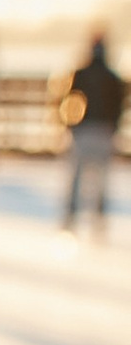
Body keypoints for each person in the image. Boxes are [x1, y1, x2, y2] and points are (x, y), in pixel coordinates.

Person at [60, 32, 124, 232]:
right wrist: (113, 127)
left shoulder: (81, 73)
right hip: (103, 131)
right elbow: (119, 106)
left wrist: (69, 124)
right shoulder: (113, 77)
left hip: (85, 130)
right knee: (100, 178)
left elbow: (67, 99)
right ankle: (98, 217)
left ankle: (71, 215)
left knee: (78, 175)